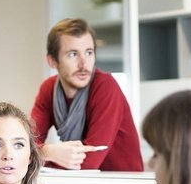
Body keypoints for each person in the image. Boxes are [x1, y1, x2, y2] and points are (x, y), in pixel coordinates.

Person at [30, 18, 143, 171]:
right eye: (72, 54)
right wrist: (48, 152)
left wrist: (41, 154)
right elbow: (25, 146)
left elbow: (88, 163)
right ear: (52, 61)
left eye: (89, 52)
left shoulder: (105, 86)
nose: (84, 64)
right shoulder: (48, 89)